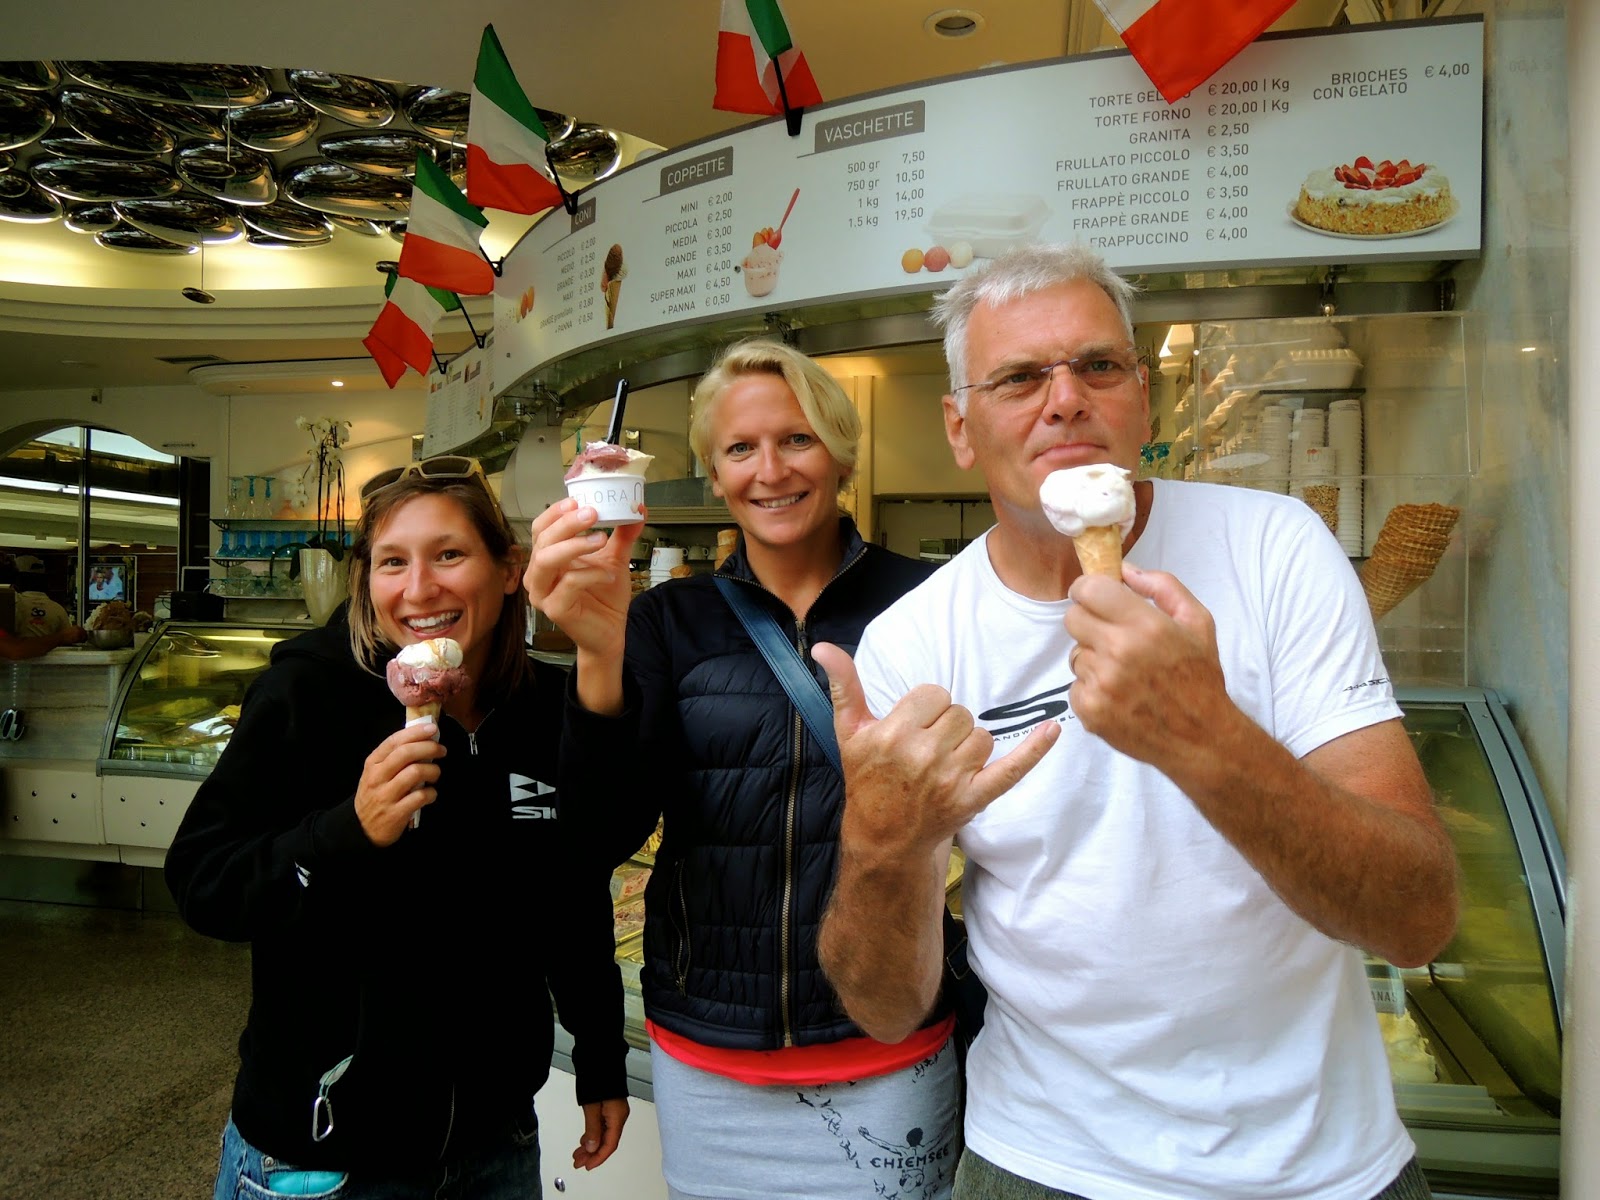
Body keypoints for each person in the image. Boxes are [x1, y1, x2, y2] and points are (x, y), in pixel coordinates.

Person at [813, 243, 1460, 1200]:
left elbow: (1416, 921)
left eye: (1099, 366)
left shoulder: (1275, 548)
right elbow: (884, 1009)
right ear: (959, 427)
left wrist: (1206, 740)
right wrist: (879, 844)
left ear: (1143, 402)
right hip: (1042, 1162)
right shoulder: (914, 642)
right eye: (1019, 378)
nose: (1066, 400)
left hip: (1320, 1165)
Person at [525, 339, 959, 1200]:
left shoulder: (930, 602)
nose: (770, 470)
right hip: (708, 1050)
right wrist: (598, 651)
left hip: (891, 1040)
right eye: (740, 448)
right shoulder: (667, 619)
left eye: (797, 439)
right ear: (716, 475)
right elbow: (600, 834)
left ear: (841, 454)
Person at [166, 456, 630, 1200]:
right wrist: (344, 832)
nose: (418, 590)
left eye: (449, 554)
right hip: (327, 1157)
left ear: (509, 570)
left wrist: (600, 1055)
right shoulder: (306, 693)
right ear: (366, 580)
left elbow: (571, 890)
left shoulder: (547, 707)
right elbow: (202, 884)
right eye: (392, 562)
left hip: (495, 1143)